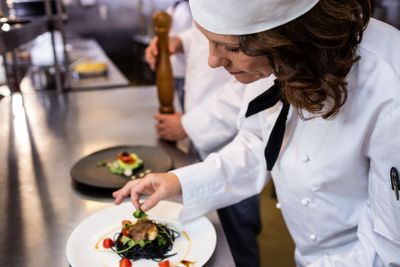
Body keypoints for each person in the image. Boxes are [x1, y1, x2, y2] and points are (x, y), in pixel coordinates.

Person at [114, 0, 400, 265]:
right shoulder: (277, 59)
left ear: (287, 37)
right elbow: (258, 144)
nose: (212, 61)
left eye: (231, 48)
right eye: (208, 42)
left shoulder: (389, 87)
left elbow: (388, 247)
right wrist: (180, 182)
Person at [146, 25, 263, 267]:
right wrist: (183, 41)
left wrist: (192, 125)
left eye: (229, 48)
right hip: (217, 140)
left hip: (228, 133)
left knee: (239, 235)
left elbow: (249, 83)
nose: (213, 60)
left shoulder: (261, 68)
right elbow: (210, 31)